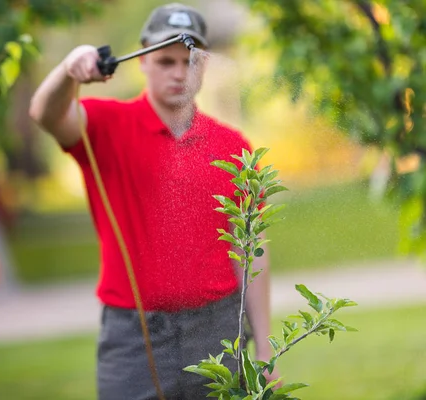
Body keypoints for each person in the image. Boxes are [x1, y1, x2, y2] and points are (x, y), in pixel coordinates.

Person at [29, 3, 279, 399]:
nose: (179, 73)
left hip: (218, 330)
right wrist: (67, 69)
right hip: (135, 336)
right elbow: (43, 114)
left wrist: (265, 345)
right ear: (143, 58)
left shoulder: (233, 147)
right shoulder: (105, 125)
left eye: (190, 61)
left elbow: (251, 250)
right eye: (166, 61)